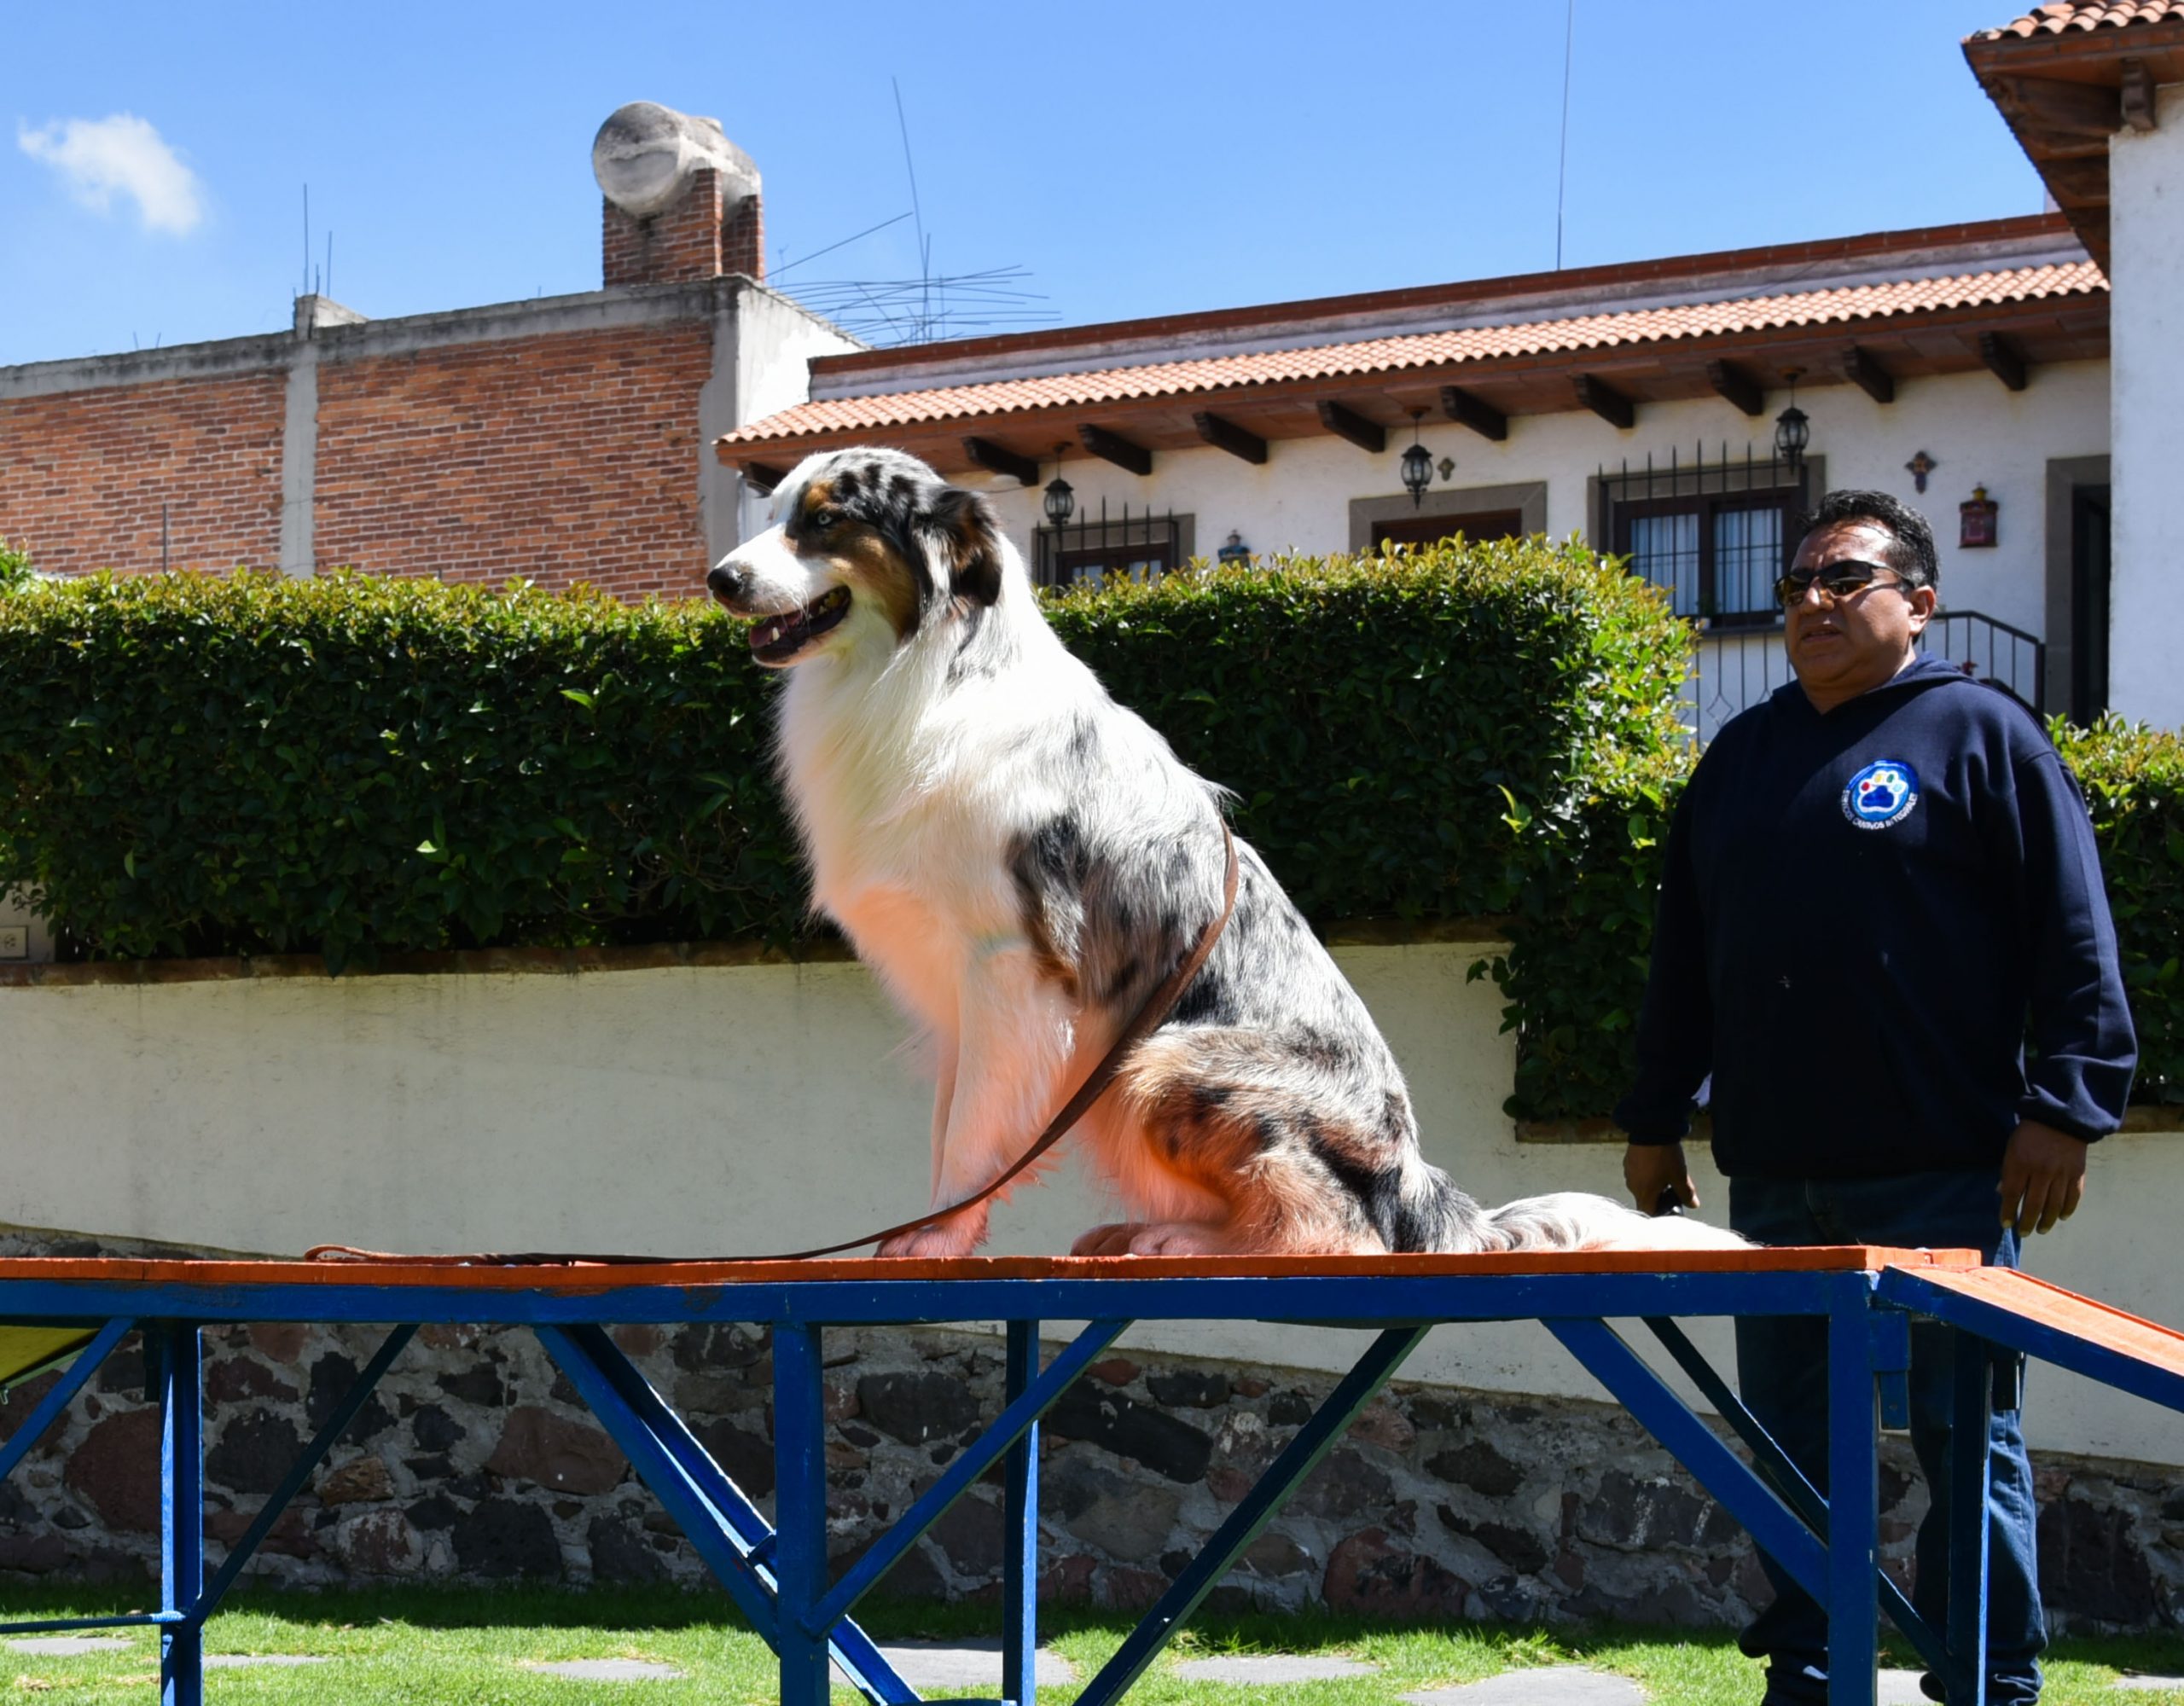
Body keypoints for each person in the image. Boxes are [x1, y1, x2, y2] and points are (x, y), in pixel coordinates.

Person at [1614, 490, 2136, 1706]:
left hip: (1950, 1168)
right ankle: (1806, 1671)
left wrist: (2065, 1107)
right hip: (1777, 1180)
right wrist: (1653, 1121)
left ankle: (1989, 1681)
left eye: (1844, 579)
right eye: (1798, 582)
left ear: (1919, 600)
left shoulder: (1984, 734)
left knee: (1967, 1441)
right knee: (1795, 1453)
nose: (1811, 601)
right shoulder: (1741, 758)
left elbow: (2074, 935)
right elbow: (1683, 959)